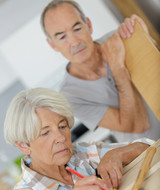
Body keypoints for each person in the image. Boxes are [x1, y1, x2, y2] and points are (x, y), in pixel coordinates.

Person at [4, 87, 154, 190]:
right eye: (46, 133)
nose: (61, 138)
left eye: (62, 126)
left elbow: (150, 148)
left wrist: (118, 154)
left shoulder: (82, 153)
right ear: (24, 145)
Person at [40, 0, 160, 142]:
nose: (74, 42)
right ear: (52, 44)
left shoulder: (121, 38)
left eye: (77, 29)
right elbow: (138, 125)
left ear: (88, 25)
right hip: (150, 155)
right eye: (62, 37)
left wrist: (146, 38)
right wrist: (118, 70)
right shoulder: (71, 97)